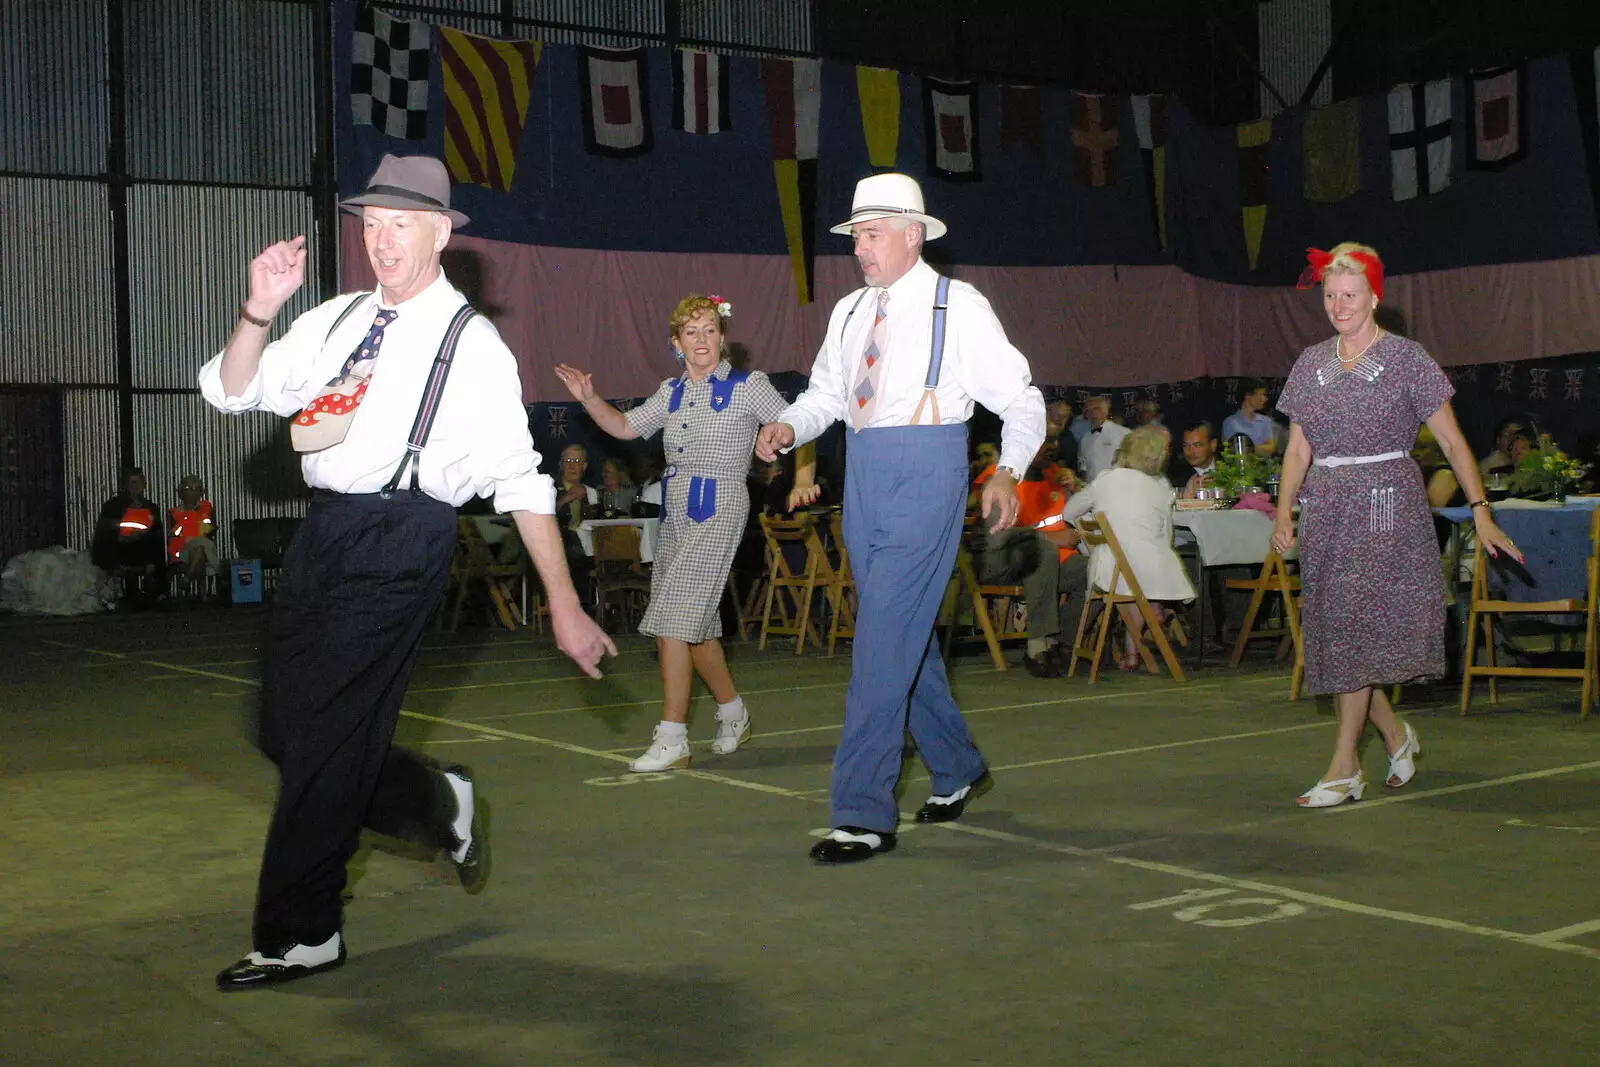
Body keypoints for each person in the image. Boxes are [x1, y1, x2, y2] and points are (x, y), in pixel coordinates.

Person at [198, 154, 615, 990]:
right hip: (324, 535)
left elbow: (522, 479)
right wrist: (257, 310)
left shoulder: (473, 344)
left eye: (401, 224)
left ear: (440, 233)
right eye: (372, 223)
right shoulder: (336, 318)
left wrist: (564, 606)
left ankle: (300, 933)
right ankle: (434, 804)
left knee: (320, 746)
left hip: (403, 540)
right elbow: (233, 392)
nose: (383, 241)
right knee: (281, 730)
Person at [757, 172, 1045, 864]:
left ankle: (861, 812)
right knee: (900, 638)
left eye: (871, 232)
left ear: (913, 235)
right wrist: (789, 428)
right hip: (864, 471)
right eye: (855, 233)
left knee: (881, 640)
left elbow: (1023, 398)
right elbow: (825, 394)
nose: (860, 246)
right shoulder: (851, 311)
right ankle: (956, 767)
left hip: (927, 470)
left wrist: (1008, 469)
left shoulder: (959, 304)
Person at [1271, 243, 1518, 808]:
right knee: (1338, 635)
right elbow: (1298, 449)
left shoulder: (1407, 359)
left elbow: (1454, 442)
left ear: (1374, 296)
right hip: (1328, 507)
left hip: (1386, 506)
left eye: (1349, 294)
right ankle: (1395, 734)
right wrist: (1285, 510)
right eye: (1330, 295)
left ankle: (1343, 767)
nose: (1338, 305)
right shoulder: (1311, 363)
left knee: (1356, 630)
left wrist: (1481, 512)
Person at [555, 293, 790, 770]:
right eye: (691, 332)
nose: (701, 339)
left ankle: (673, 737)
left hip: (721, 500)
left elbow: (797, 423)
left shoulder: (750, 386)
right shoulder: (671, 391)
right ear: (676, 343)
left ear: (722, 339)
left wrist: (796, 463)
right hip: (677, 505)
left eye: (709, 330)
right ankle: (733, 713)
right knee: (692, 626)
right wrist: (588, 399)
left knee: (670, 621)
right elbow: (623, 426)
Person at [1063, 426, 1196, 671]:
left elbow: (1069, 512)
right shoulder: (1162, 489)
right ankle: (1137, 644)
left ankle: (1133, 650)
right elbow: (1166, 536)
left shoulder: (1105, 479)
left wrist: (1093, 525)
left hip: (1114, 569)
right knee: (1132, 576)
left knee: (1122, 571)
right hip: (1157, 570)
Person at [981, 444, 1089, 677]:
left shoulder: (1055, 476)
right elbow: (995, 537)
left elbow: (1074, 512)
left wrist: (1075, 489)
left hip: (1049, 562)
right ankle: (1037, 646)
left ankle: (1062, 641)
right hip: (1001, 560)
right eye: (1045, 440)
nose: (1053, 447)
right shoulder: (998, 477)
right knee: (1043, 551)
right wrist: (1046, 537)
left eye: (1055, 440)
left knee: (1096, 570)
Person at [91, 467, 166, 605]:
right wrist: (124, 537)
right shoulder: (113, 506)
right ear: (126, 485)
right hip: (121, 549)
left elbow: (157, 532)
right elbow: (106, 532)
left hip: (143, 549)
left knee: (154, 542)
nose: (135, 486)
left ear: (144, 484)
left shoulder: (151, 507)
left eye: (138, 482)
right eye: (132, 482)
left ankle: (155, 592)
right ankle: (132, 592)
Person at [167, 474, 220, 584]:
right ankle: (202, 591)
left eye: (197, 489)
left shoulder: (207, 509)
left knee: (199, 549)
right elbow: (173, 534)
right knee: (198, 550)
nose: (193, 493)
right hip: (182, 548)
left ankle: (188, 578)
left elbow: (212, 529)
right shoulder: (175, 512)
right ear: (182, 492)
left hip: (203, 546)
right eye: (189, 489)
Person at [1076, 394, 1129, 482]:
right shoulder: (1085, 439)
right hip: (1092, 488)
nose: (1092, 413)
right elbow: (1083, 466)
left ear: (1106, 411)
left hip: (1116, 485)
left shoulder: (1123, 433)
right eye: (1088, 410)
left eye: (1096, 409)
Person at [1222, 379, 1281, 457]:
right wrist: (1259, 449)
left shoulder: (1265, 421)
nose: (1265, 399)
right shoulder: (1230, 422)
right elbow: (1230, 452)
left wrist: (1247, 448)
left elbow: (1270, 449)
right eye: (1262, 394)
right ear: (1248, 395)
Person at [1170, 421, 1220, 499]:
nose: (1191, 451)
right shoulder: (1175, 479)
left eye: (1197, 445)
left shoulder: (1229, 471)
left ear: (1213, 445)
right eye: (1186, 446)